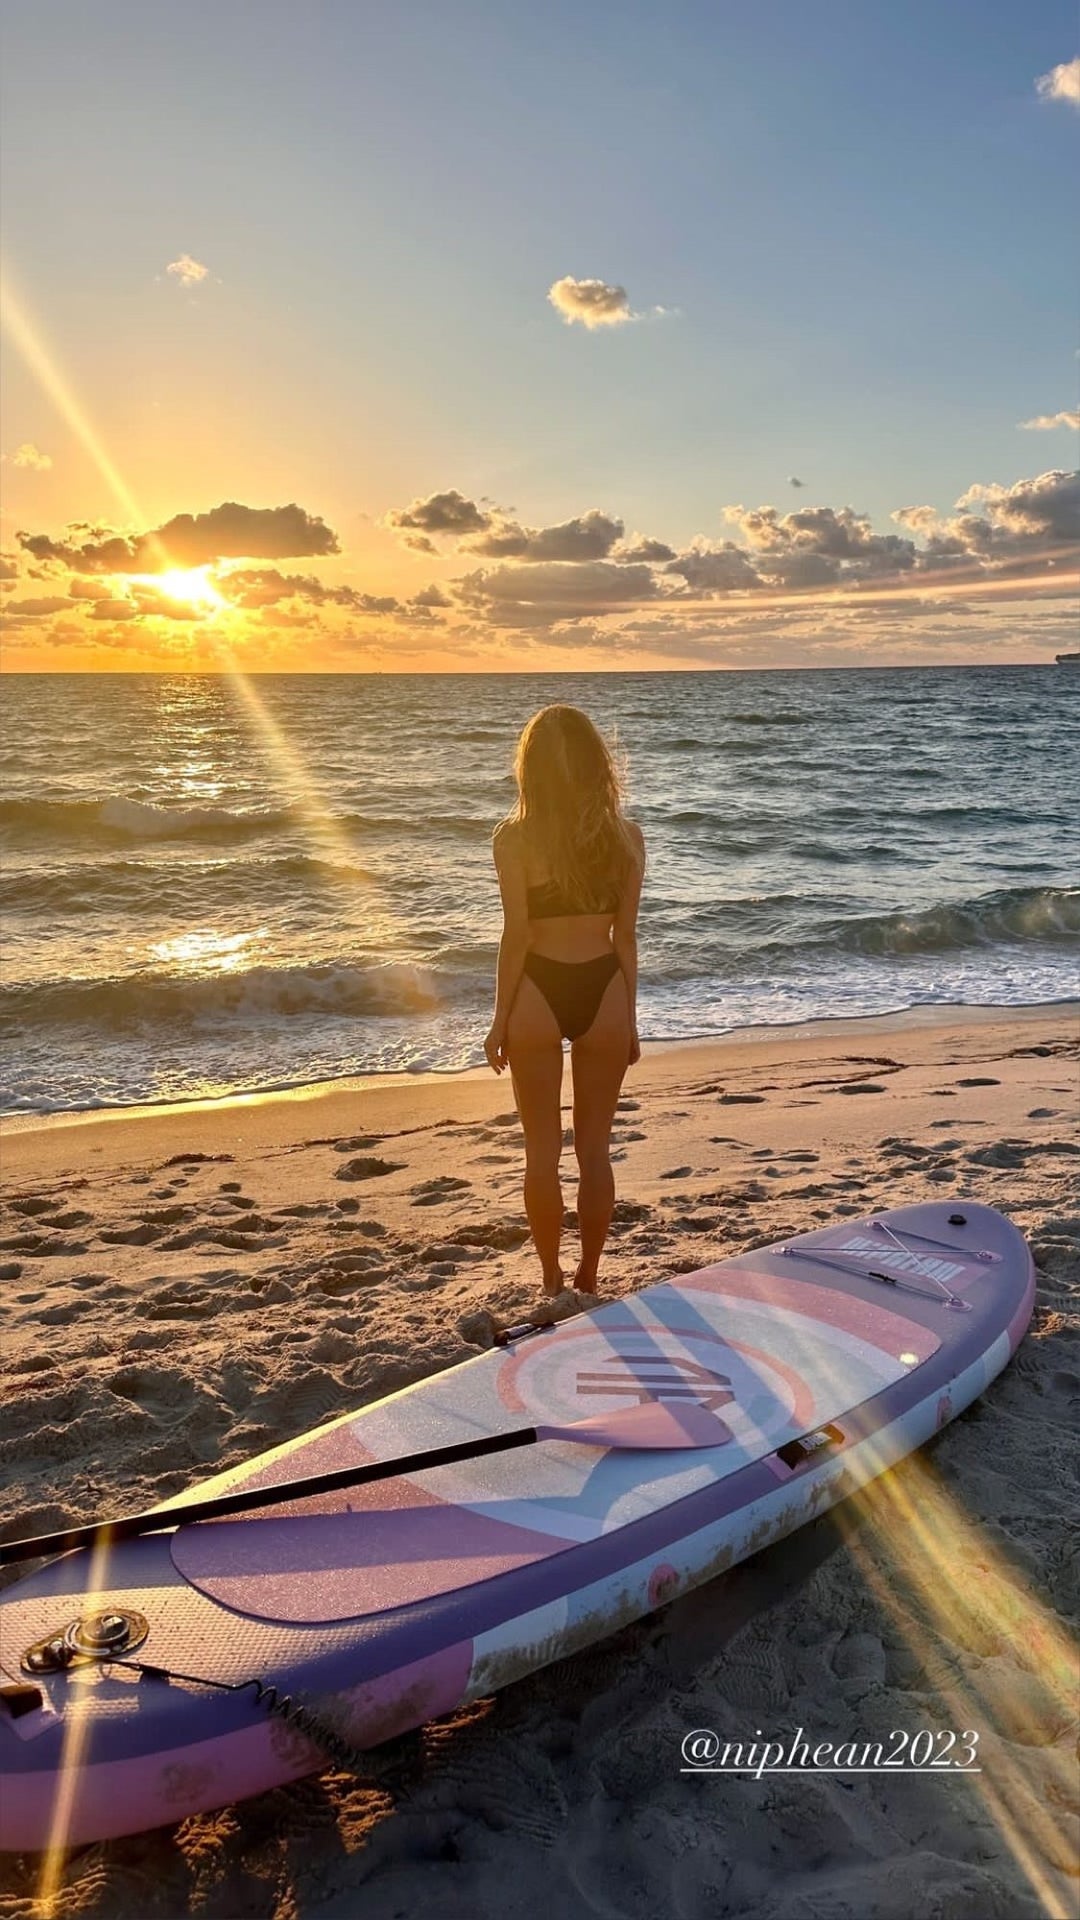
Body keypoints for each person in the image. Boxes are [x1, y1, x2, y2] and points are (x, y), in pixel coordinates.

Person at [484, 705, 645, 1297]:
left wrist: (499, 1019)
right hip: (605, 988)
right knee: (596, 1151)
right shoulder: (627, 838)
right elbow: (623, 937)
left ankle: (552, 1279)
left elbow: (517, 935)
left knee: (541, 1151)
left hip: (536, 993)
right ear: (595, 764)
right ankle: (589, 1275)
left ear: (531, 770)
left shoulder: (515, 839)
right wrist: (630, 1017)